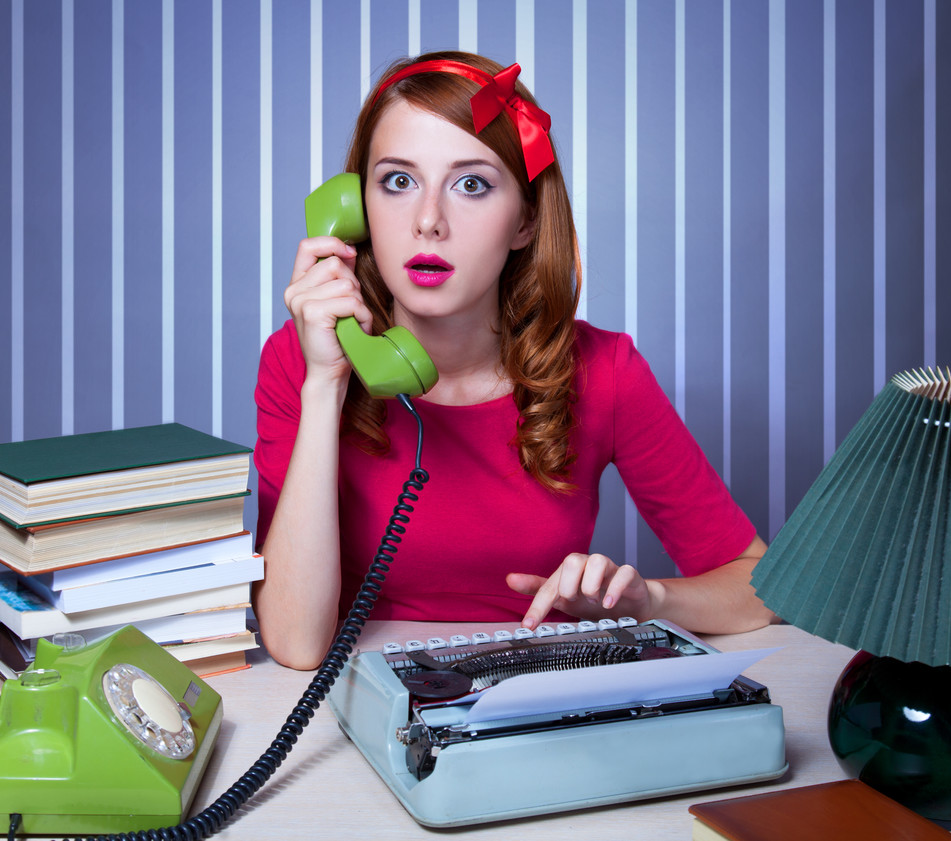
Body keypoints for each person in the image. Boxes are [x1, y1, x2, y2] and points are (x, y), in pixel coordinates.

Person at [254, 51, 777, 670]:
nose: (428, 221)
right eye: (398, 181)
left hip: (537, 690)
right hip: (362, 695)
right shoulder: (302, 362)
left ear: (525, 220)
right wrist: (325, 384)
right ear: (355, 208)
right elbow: (296, 644)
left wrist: (648, 601)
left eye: (471, 184)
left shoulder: (604, 370)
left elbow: (760, 588)